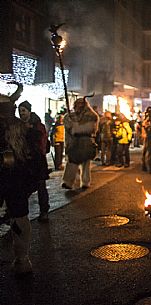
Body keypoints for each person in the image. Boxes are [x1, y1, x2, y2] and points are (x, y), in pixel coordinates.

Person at [0, 82, 42, 275]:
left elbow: (35, 156)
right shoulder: (24, 128)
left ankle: (22, 259)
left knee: (19, 216)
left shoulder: (25, 129)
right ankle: (22, 259)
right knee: (19, 215)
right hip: (16, 181)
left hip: (14, 180)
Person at [18, 101, 50, 222]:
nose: (22, 113)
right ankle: (19, 215)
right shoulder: (19, 125)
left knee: (41, 187)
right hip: (24, 161)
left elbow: (40, 142)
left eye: (23, 111)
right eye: (20, 111)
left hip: (37, 161)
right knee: (24, 188)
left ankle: (44, 212)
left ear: (29, 111)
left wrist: (30, 131)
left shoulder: (37, 125)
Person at [62, 96, 99, 189]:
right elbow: (68, 129)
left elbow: (91, 128)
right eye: (77, 104)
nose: (79, 106)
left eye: (81, 104)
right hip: (74, 142)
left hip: (86, 141)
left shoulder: (91, 116)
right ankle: (68, 182)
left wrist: (77, 128)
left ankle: (85, 182)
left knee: (85, 163)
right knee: (72, 162)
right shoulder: (70, 116)